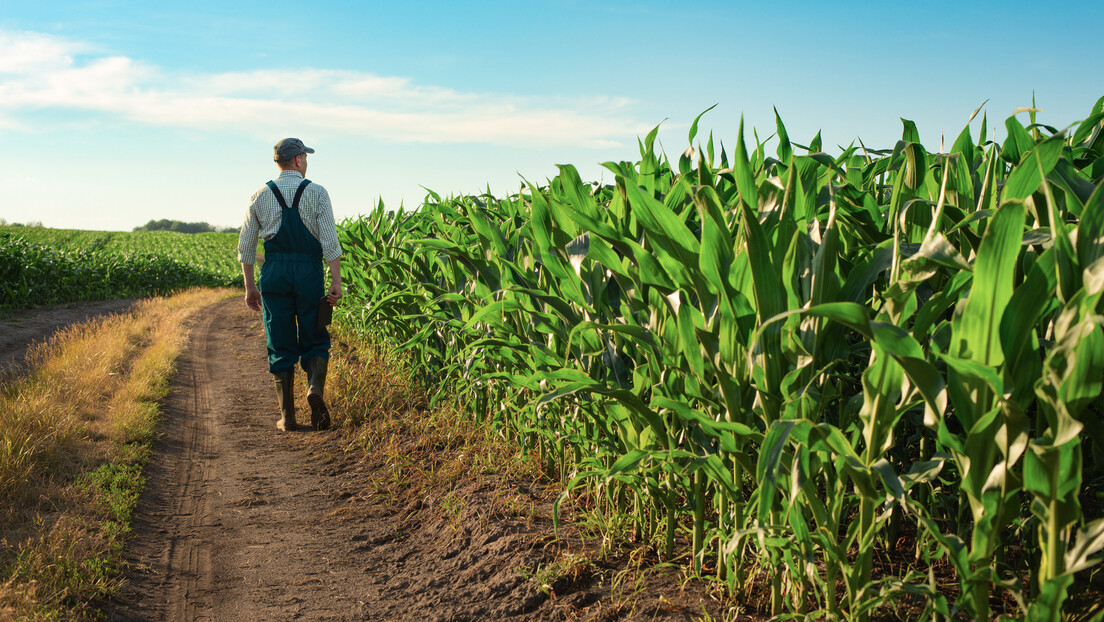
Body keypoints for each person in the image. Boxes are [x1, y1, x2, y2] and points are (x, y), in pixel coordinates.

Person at [238, 138, 343, 431]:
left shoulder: (259, 195)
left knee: (280, 340)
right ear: (297, 160)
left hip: (275, 274)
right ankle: (314, 389)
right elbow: (330, 243)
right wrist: (335, 282)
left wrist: (250, 287)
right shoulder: (318, 193)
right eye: (305, 157)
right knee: (315, 335)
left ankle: (288, 417)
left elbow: (245, 248)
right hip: (308, 273)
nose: (306, 162)